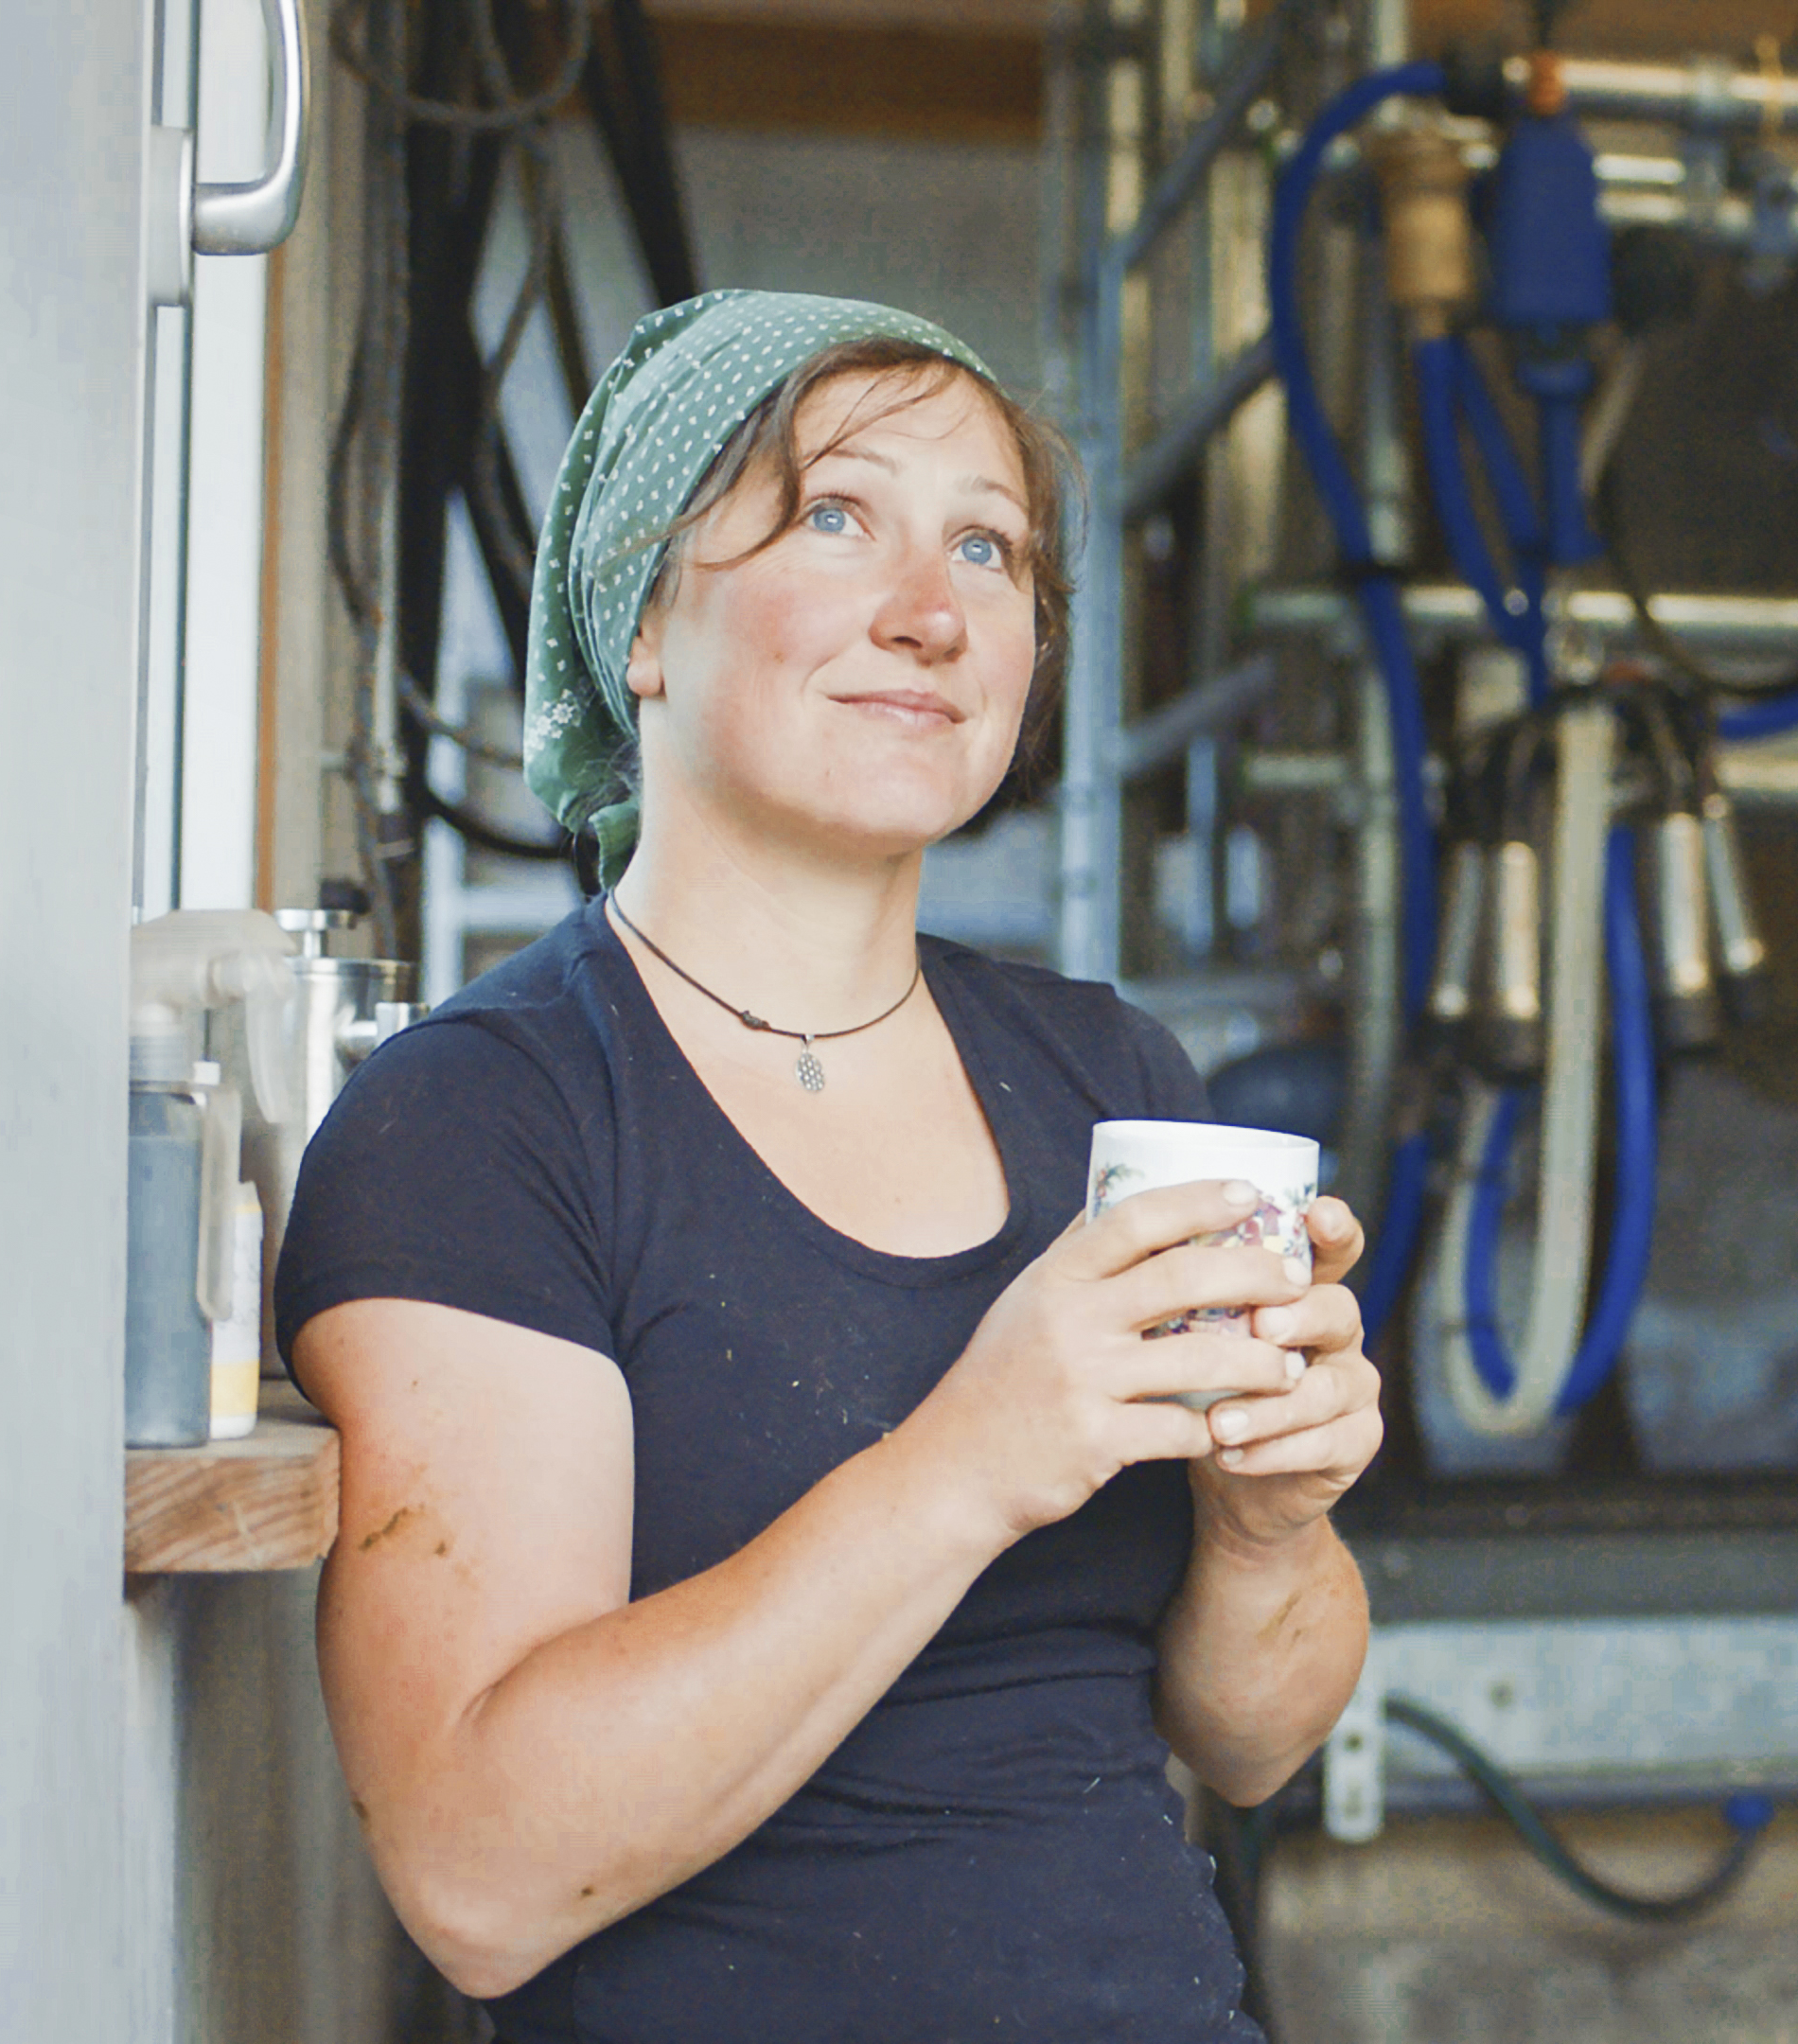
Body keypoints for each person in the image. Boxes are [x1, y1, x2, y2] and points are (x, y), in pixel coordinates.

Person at [278, 291, 1382, 2043]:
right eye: (836, 517)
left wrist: (1272, 1527)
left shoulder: (1111, 1080)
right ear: (643, 620)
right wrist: (978, 1455)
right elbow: (478, 1879)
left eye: (991, 549)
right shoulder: (483, 1125)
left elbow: (1249, 1736)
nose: (932, 614)